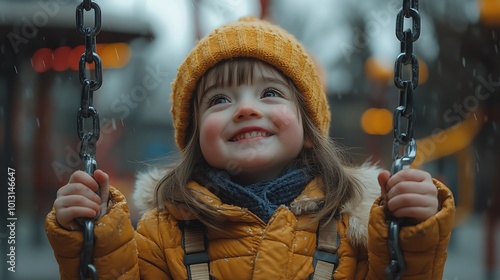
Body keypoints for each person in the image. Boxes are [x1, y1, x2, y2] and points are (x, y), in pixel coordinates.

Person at [46, 17, 455, 279]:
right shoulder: (165, 231)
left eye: (270, 93)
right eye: (219, 101)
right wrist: (92, 238)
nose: (244, 108)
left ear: (309, 129)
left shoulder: (356, 225)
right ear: (195, 139)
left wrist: (415, 235)